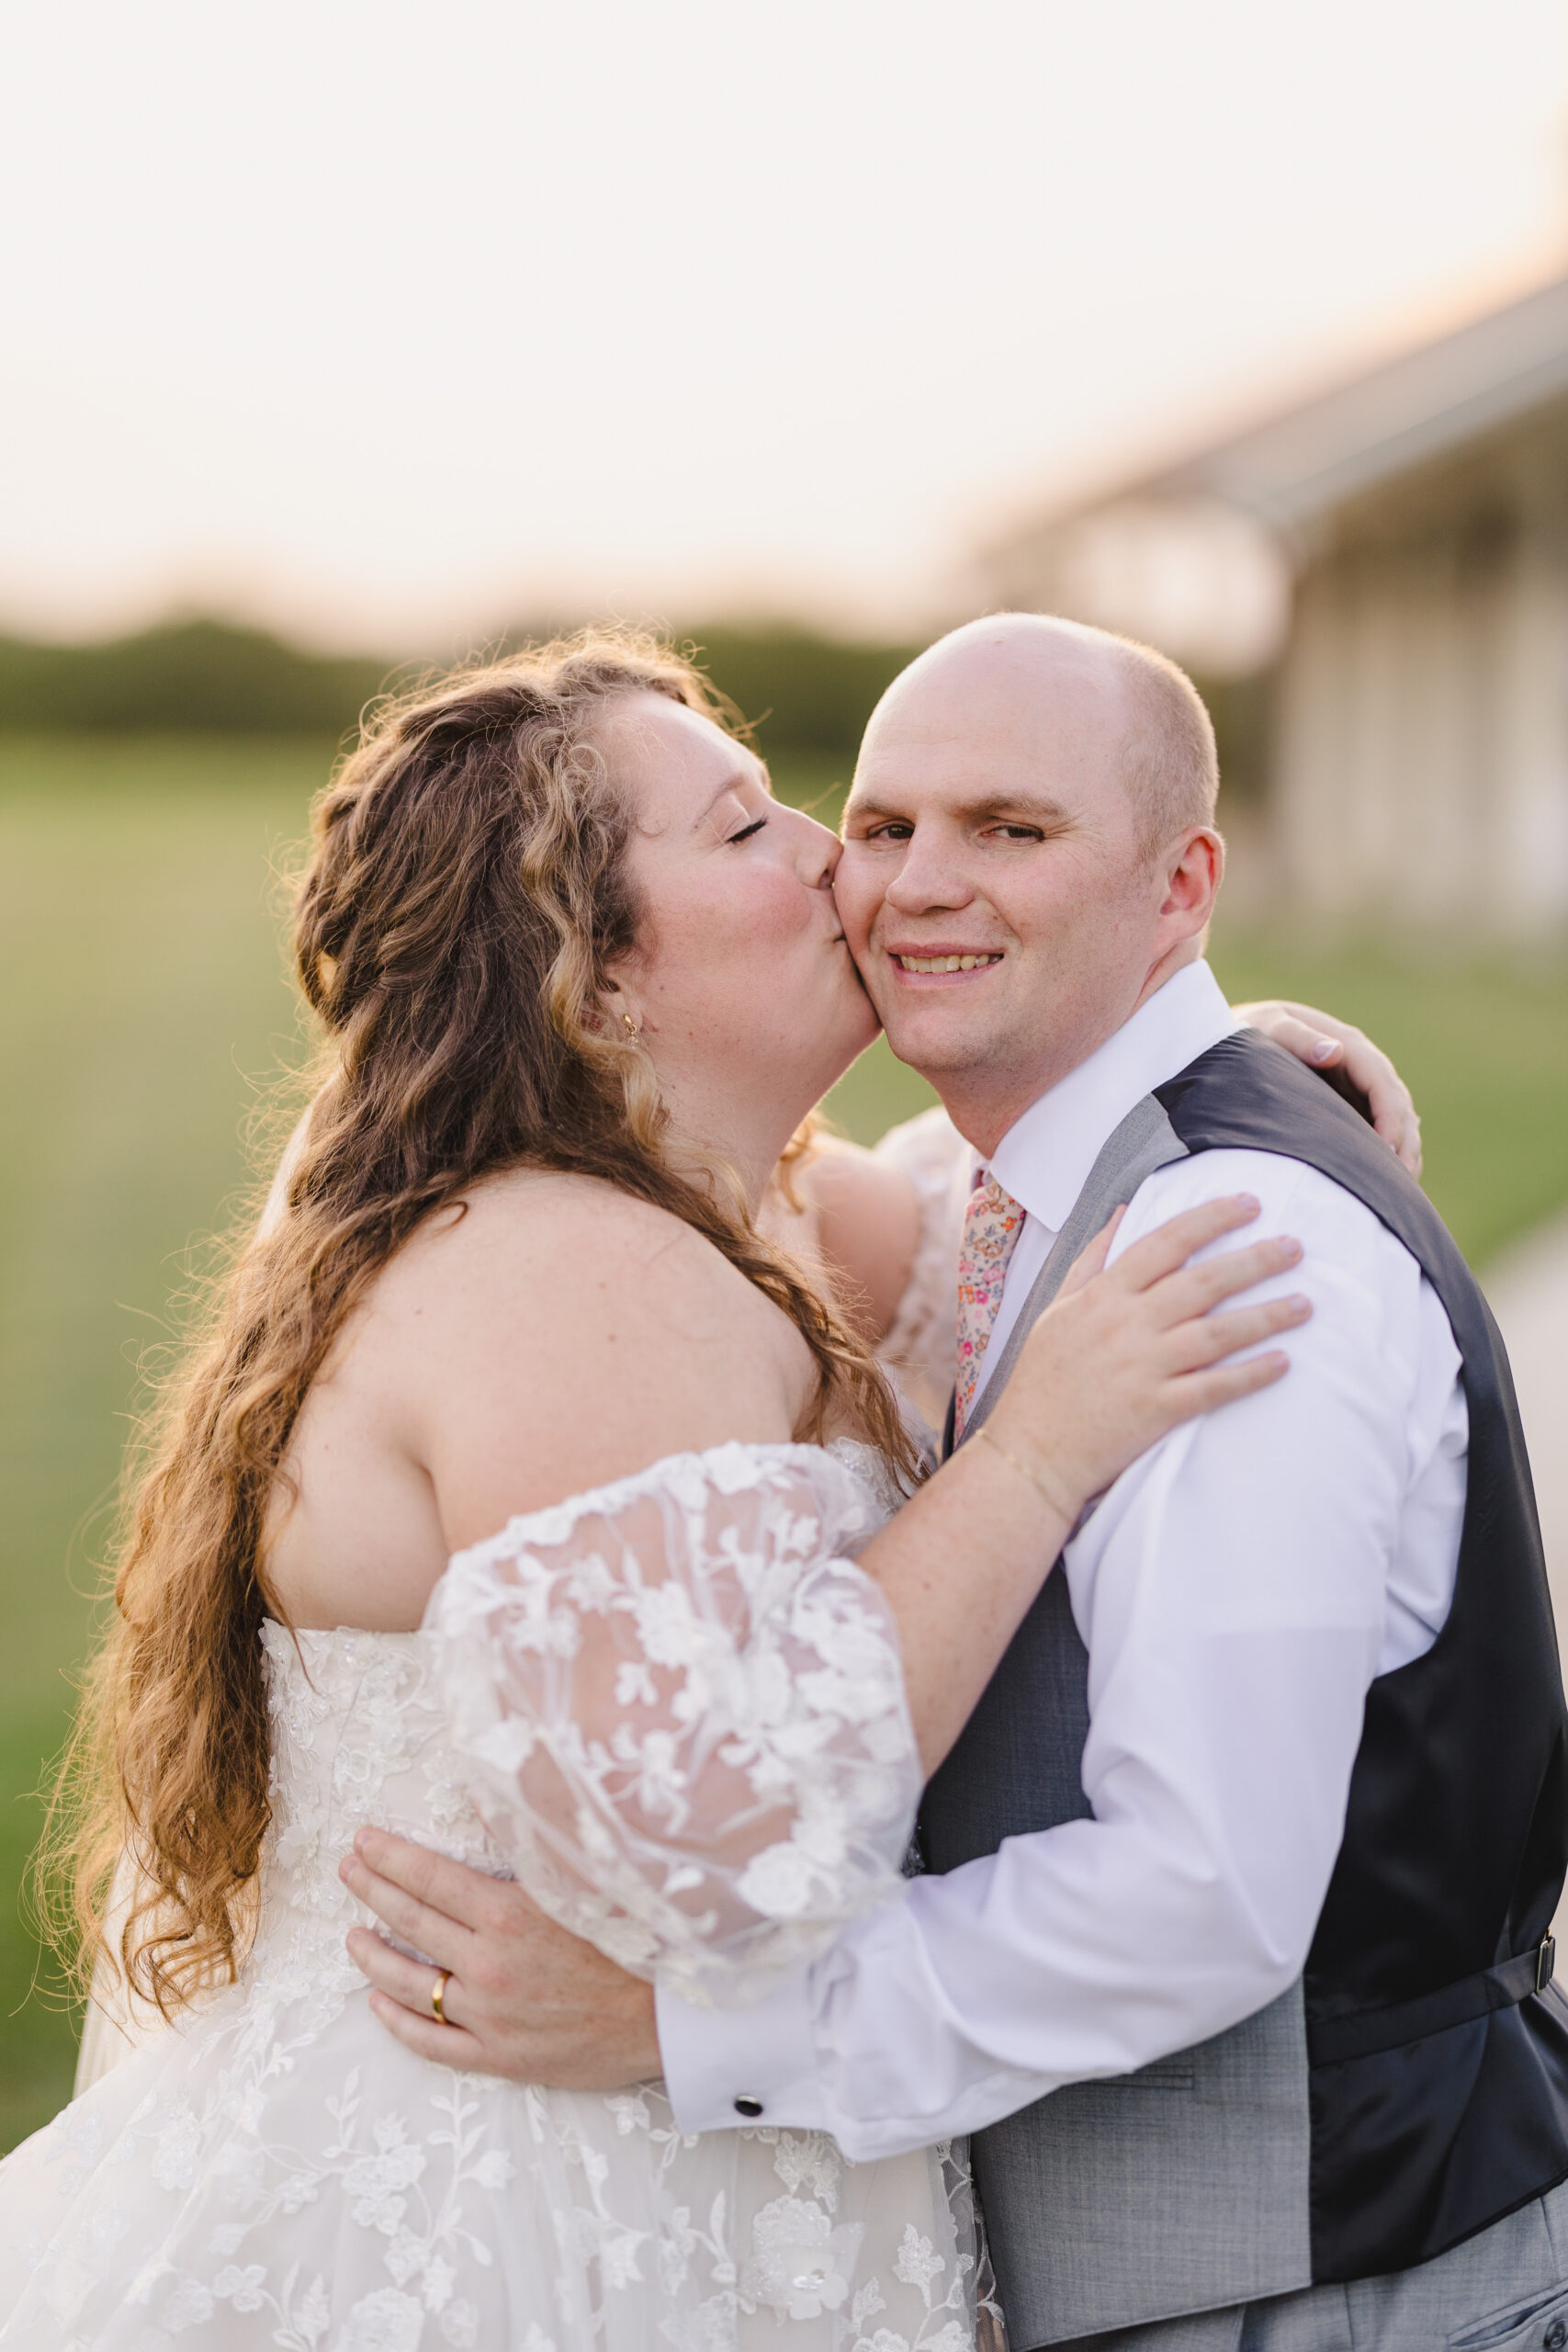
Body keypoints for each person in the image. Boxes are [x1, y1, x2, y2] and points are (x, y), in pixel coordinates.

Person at [0, 631, 1376, 2350]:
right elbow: (728, 1832)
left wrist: (1204, 1054)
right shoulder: (570, 1273)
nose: (833, 857)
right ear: (589, 979)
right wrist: (1036, 1456)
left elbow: (971, 1212)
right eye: (744, 829)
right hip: (521, 2207)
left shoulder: (751, 1199)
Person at [342, 617, 1568, 2352]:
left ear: (1181, 885)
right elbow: (925, 1215)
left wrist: (686, 2033)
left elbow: (1197, 1894)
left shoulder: (1228, 1250)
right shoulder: (986, 1199)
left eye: (1011, 829)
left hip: (1349, 2290)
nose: (909, 880)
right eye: (884, 823)